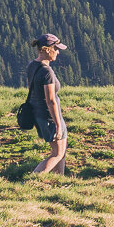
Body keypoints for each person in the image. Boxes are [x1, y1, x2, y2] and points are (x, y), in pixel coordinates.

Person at [25, 34, 69, 177]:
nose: (58, 52)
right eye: (56, 48)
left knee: (61, 151)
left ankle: (58, 180)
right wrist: (57, 124)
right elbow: (51, 100)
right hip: (49, 117)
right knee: (57, 154)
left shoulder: (32, 65)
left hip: (39, 115)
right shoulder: (47, 72)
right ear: (47, 49)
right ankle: (33, 179)